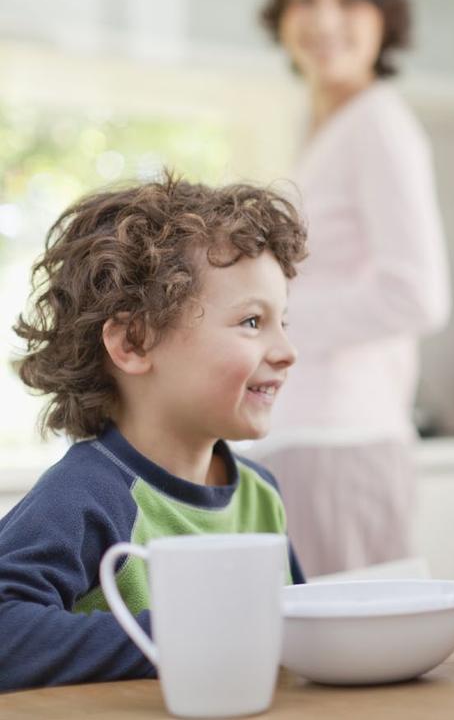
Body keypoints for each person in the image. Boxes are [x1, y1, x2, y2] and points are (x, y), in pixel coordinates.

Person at [0, 175, 308, 691]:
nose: (286, 351)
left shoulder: (261, 494)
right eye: (253, 322)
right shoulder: (88, 496)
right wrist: (180, 636)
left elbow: (294, 633)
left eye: (284, 322)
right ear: (134, 342)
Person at [256, 0, 450, 576]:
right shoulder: (315, 129)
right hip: (301, 436)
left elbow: (417, 296)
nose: (324, 19)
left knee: (351, 659)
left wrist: (264, 324)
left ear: (383, 13)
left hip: (343, 438)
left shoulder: (379, 121)